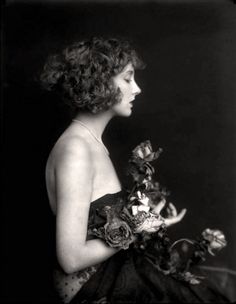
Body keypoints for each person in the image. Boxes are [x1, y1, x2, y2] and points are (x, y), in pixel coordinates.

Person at [41, 37, 232, 303]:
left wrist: (150, 219)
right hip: (96, 288)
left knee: (213, 285)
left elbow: (97, 222)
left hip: (113, 274)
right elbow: (71, 258)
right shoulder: (76, 150)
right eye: (128, 78)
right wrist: (135, 226)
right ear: (101, 82)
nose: (137, 89)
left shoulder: (89, 142)